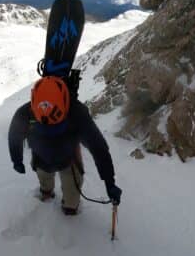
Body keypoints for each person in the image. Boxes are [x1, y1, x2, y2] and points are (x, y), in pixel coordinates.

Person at [8, 76, 122, 215]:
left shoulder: (77, 113)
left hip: (68, 159)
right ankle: (47, 192)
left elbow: (98, 148)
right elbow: (15, 136)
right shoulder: (25, 113)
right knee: (46, 185)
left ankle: (69, 207)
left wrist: (109, 181)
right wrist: (17, 160)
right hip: (42, 159)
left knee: (71, 205)